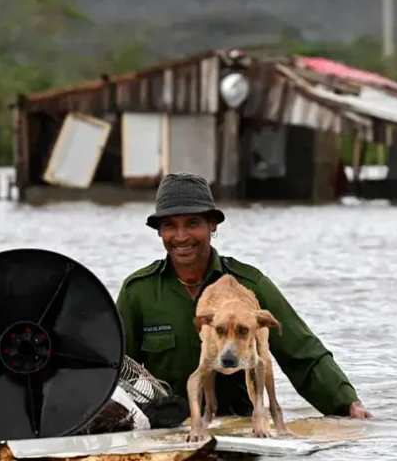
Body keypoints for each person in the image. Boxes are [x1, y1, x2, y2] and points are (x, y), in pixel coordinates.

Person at [115, 172, 371, 420]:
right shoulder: (137, 292)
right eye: (170, 225)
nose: (181, 236)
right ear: (159, 231)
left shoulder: (250, 286)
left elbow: (303, 354)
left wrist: (346, 403)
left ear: (212, 224)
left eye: (192, 223)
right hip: (166, 430)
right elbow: (114, 367)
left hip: (239, 430)